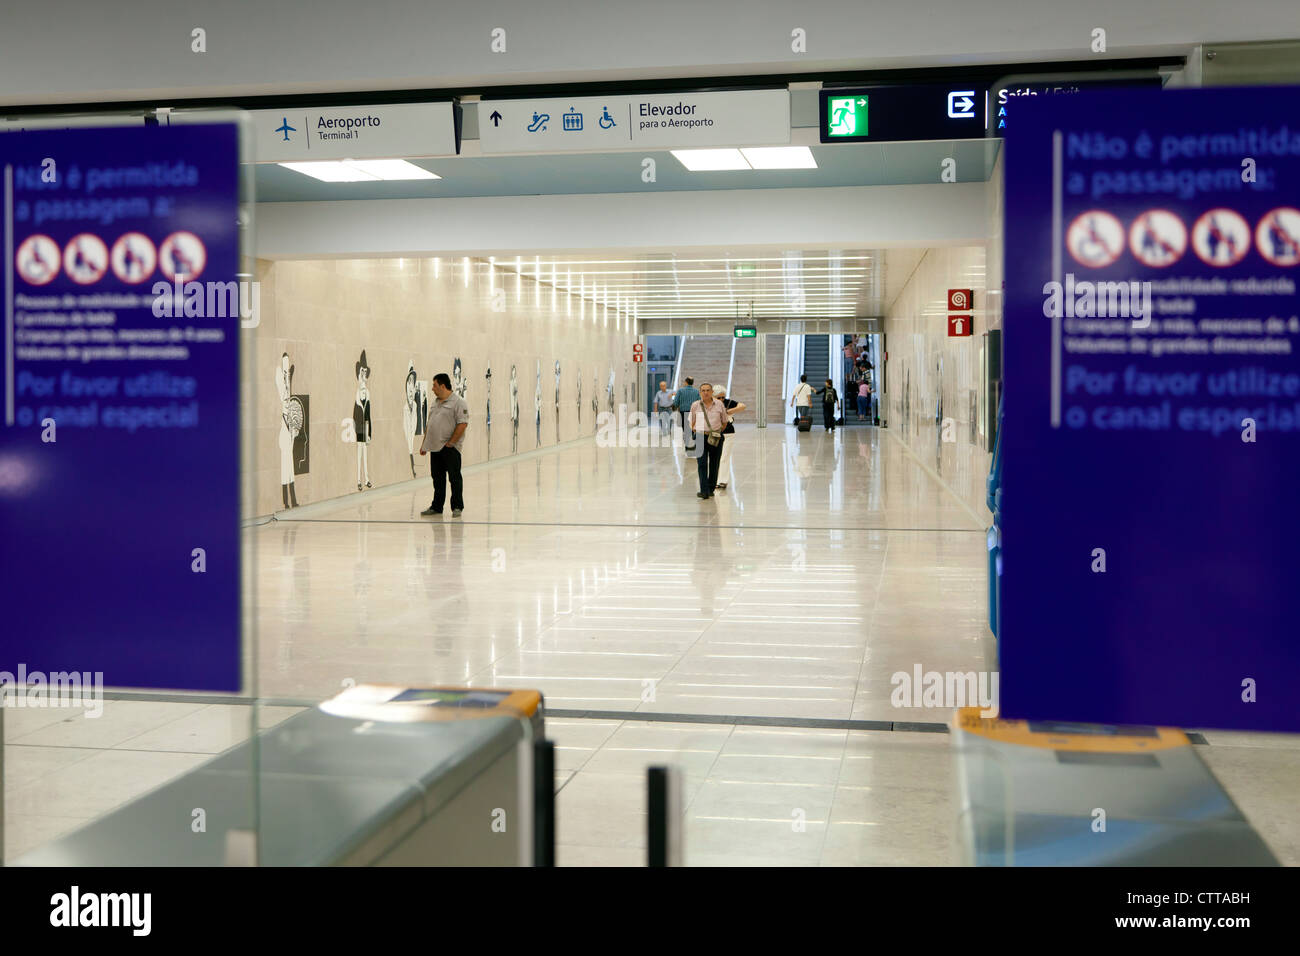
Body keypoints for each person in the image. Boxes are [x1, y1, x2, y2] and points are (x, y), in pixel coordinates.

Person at [419, 372, 469, 517]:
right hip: (435, 447)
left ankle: (457, 506)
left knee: (454, 478)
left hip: (450, 448)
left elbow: (462, 424)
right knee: (437, 478)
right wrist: (424, 444)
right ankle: (437, 506)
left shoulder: (459, 403)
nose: (432, 388)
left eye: (434, 385)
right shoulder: (435, 402)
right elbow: (430, 424)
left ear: (442, 385)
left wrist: (451, 443)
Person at [689, 383, 728, 499]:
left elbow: (724, 421)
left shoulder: (719, 404)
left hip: (715, 437)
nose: (705, 392)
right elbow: (691, 421)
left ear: (712, 392)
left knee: (714, 463)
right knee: (701, 464)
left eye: (708, 390)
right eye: (703, 390)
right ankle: (704, 490)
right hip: (701, 436)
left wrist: (717, 432)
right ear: (700, 392)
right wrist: (696, 432)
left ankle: (711, 489)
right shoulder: (695, 405)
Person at [713, 386, 746, 491]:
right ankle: (714, 480)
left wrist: (730, 411)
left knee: (724, 457)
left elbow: (742, 406)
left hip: (728, 433)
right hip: (713, 433)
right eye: (719, 397)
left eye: (723, 397)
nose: (721, 399)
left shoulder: (728, 402)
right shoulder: (709, 403)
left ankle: (723, 480)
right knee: (714, 457)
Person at [673, 376, 701, 450]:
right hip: (694, 413)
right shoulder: (696, 391)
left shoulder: (680, 391)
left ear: (686, 382)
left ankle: (688, 446)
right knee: (693, 428)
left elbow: (676, 402)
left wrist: (675, 407)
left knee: (686, 429)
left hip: (683, 412)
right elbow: (700, 402)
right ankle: (693, 443)